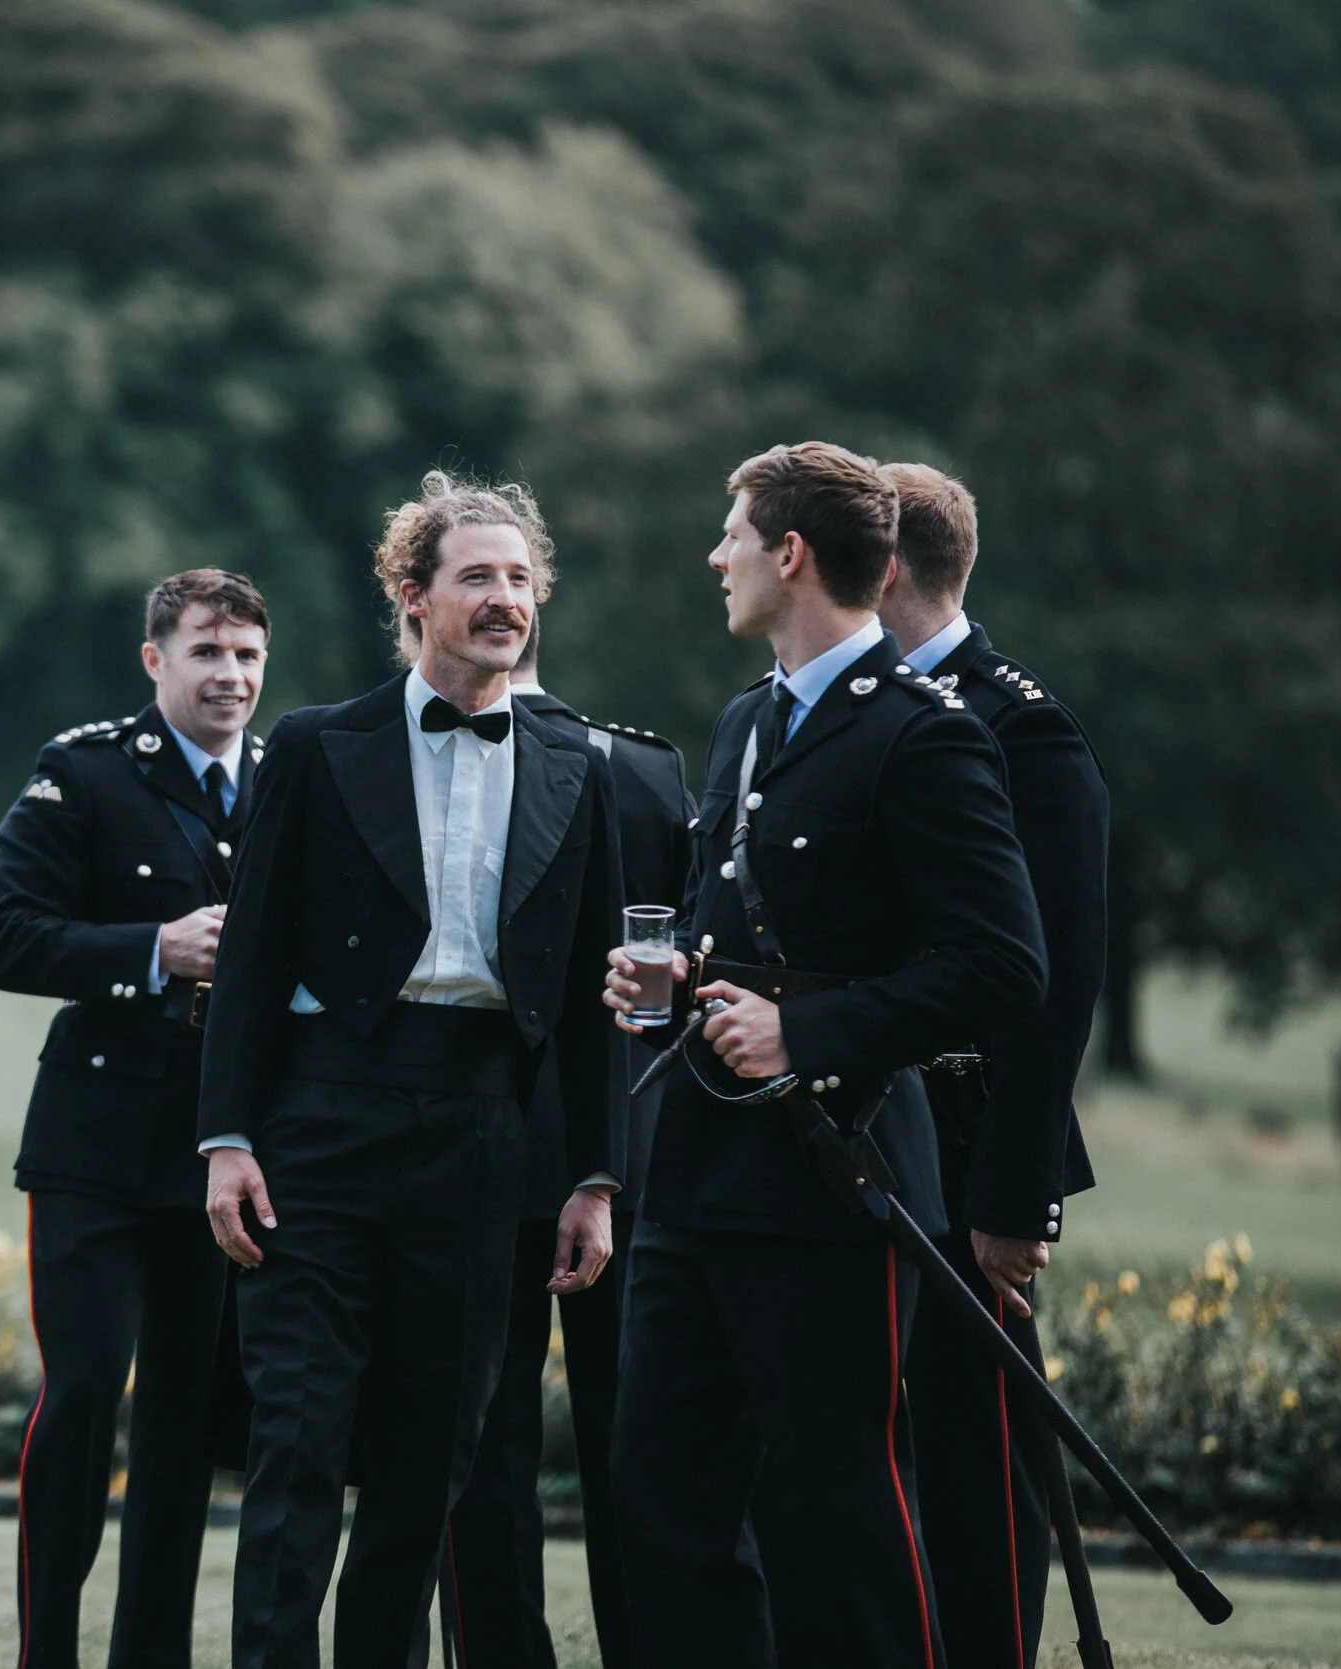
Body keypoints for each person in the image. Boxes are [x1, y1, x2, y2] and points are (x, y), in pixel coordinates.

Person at [602, 442, 1046, 1669]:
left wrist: (806, 1029)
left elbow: (1003, 967)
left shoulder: (922, 735)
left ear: (789, 554)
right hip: (696, 1173)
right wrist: (675, 975)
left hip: (832, 1184)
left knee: (832, 1511)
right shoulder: (748, 718)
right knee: (661, 1497)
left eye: (731, 533)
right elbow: (730, 927)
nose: (716, 556)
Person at [200, 470, 625, 1669]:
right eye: (476, 577)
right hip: (319, 1123)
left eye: (519, 580)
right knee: (296, 1441)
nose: (504, 600)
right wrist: (226, 1136)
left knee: (428, 1459)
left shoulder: (575, 763)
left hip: (486, 1136)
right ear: (414, 594)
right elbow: (249, 960)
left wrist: (592, 1175)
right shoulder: (313, 746)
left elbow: (592, 999)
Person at [0, 568, 271, 1669]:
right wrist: (153, 949)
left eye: (245, 656)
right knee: (88, 1385)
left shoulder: (291, 782)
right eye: (205, 651)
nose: (228, 675)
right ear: (157, 662)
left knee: (188, 1420)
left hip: (225, 1148)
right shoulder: (85, 771)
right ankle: (46, 1650)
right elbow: (5, 939)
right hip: (95, 1143)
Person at [880, 462, 1110, 1669]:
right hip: (863, 1132)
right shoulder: (845, 708)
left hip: (975, 1142)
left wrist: (1014, 1196)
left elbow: (1059, 979)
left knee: (976, 1452)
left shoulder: (1021, 723)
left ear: (887, 565)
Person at [433, 616, 695, 1669]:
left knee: (481, 1447)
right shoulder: (644, 764)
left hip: (478, 1144)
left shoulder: (430, 767)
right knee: (633, 1443)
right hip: (626, 1149)